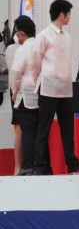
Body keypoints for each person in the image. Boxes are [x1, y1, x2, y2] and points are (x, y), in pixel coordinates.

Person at [32, 0, 79, 175]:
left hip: (66, 90)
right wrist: (37, 82)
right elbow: (34, 62)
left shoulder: (67, 36)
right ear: (61, 15)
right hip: (48, 89)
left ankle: (73, 166)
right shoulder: (44, 35)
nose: (70, 17)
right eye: (68, 14)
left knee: (68, 130)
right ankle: (40, 167)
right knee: (43, 130)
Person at [9, 16, 37, 176]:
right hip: (41, 96)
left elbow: (15, 74)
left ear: (20, 33)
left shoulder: (22, 49)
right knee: (40, 133)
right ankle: (41, 165)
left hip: (25, 97)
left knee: (27, 132)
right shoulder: (41, 45)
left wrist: (14, 93)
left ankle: (27, 167)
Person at [5, 26, 22, 175]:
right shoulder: (11, 48)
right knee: (20, 131)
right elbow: (14, 71)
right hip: (16, 91)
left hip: (31, 91)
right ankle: (17, 166)